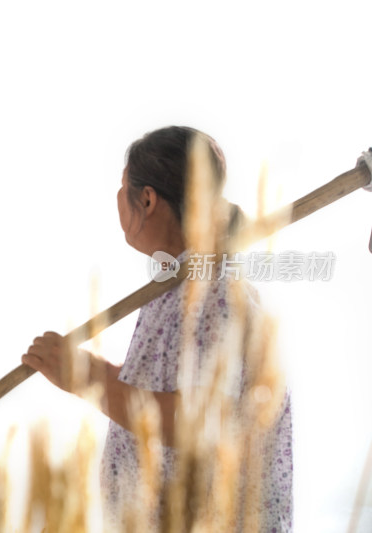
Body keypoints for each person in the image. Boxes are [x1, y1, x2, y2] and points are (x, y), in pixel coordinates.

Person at [22, 126, 293, 532]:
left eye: (123, 185)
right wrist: (87, 368)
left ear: (146, 199)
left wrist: (89, 378)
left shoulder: (214, 292)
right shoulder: (176, 286)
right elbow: (164, 393)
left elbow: (197, 419)